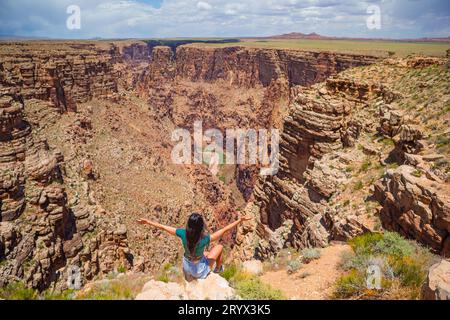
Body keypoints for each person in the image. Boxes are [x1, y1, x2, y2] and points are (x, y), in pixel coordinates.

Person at [137, 213, 251, 281]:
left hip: (187, 267)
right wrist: (240, 220)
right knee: (219, 247)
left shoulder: (182, 233)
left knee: (206, 254)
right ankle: (218, 269)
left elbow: (163, 227)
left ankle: (202, 266)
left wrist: (147, 222)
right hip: (199, 271)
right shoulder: (205, 239)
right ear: (201, 226)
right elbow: (225, 229)